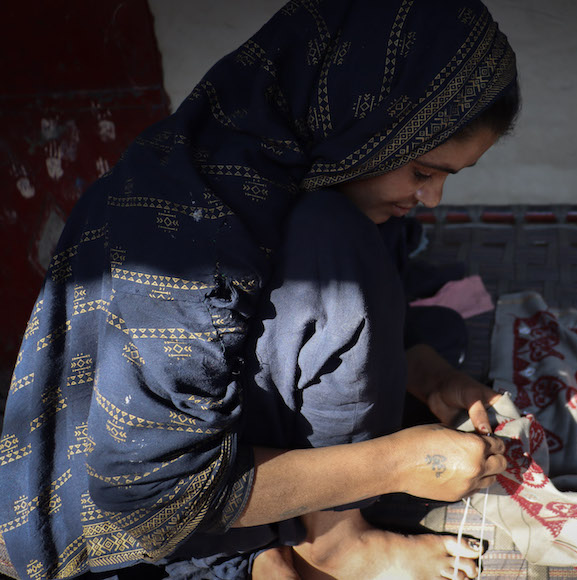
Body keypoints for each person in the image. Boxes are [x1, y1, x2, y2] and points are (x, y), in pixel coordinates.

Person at [0, 0, 520, 579]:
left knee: (374, 273)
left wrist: (431, 375)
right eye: (423, 172)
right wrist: (392, 466)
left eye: (448, 176)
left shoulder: (322, 166)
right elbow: (147, 505)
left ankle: (299, 534)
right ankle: (333, 540)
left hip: (227, 431)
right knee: (337, 253)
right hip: (138, 503)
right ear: (357, 116)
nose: (432, 199)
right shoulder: (185, 244)